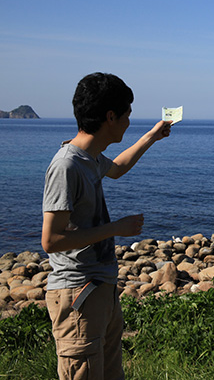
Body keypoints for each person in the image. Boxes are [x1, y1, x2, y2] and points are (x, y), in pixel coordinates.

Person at [41, 72, 171, 380]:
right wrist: (116, 228)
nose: (128, 122)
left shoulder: (90, 157)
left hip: (100, 289)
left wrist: (151, 136)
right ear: (110, 116)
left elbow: (119, 167)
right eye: (127, 115)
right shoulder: (66, 166)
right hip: (78, 293)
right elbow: (51, 240)